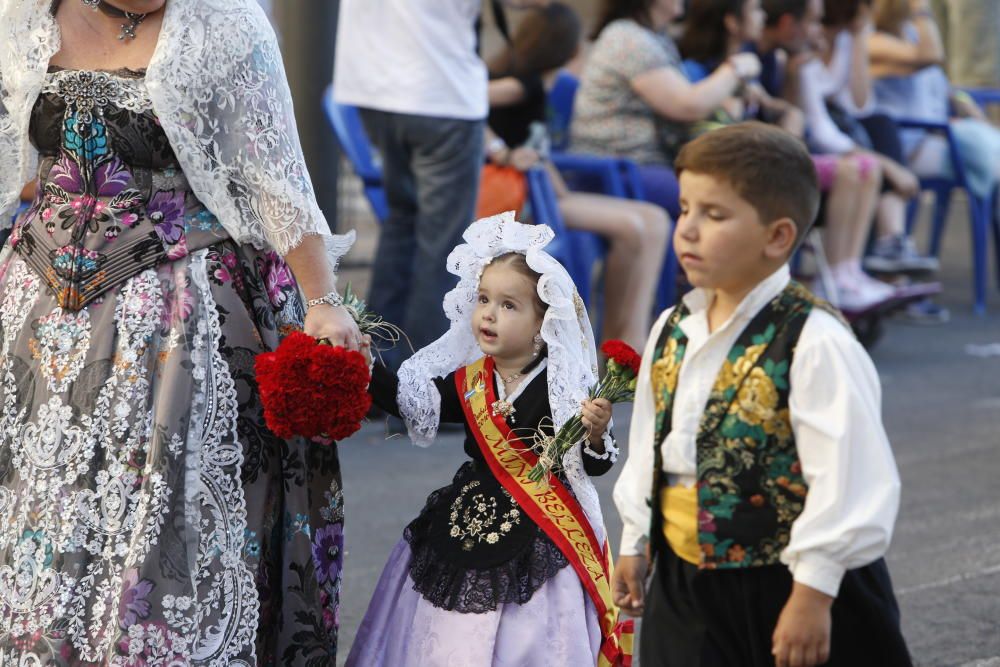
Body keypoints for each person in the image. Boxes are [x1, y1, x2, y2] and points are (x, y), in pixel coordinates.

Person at [0, 0, 361, 663]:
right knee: (43, 516)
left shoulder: (227, 24)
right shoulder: (21, 15)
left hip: (176, 323)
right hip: (38, 320)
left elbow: (274, 172)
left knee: (161, 523)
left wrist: (323, 301)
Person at [611, 123, 911, 667]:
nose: (688, 231)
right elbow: (649, 445)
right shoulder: (672, 328)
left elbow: (850, 478)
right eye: (684, 209)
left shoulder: (814, 340)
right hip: (687, 580)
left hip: (789, 581)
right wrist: (636, 536)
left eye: (715, 215)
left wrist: (813, 592)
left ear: (777, 237)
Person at [346, 213, 630, 667]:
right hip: (468, 511)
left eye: (509, 305)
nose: (489, 315)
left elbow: (592, 467)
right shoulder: (473, 380)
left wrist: (596, 432)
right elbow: (413, 401)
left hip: (541, 527)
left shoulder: (563, 386)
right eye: (483, 299)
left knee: (528, 629)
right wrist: (363, 364)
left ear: (543, 322)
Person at [333, 0, 547, 371]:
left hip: (372, 87)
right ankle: (426, 381)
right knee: (442, 244)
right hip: (438, 89)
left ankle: (377, 371)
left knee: (403, 227)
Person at [486, 2, 671, 349]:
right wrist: (501, 151)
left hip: (547, 192)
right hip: (524, 201)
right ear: (570, 48)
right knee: (634, 227)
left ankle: (627, 336)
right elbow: (469, 101)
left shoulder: (539, 86)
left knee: (656, 219)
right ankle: (618, 341)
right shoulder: (524, 85)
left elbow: (535, 145)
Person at [569, 0, 762, 216]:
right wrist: (736, 68)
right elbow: (688, 105)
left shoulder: (655, 37)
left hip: (643, 165)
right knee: (725, 200)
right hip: (614, 168)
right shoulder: (627, 39)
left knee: (741, 190)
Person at [870, 0, 1000, 209]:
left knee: (989, 147)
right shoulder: (874, 42)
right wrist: (921, 9)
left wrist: (966, 105)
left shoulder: (911, 34)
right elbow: (932, 56)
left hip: (937, 137)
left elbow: (945, 86)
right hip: (910, 146)